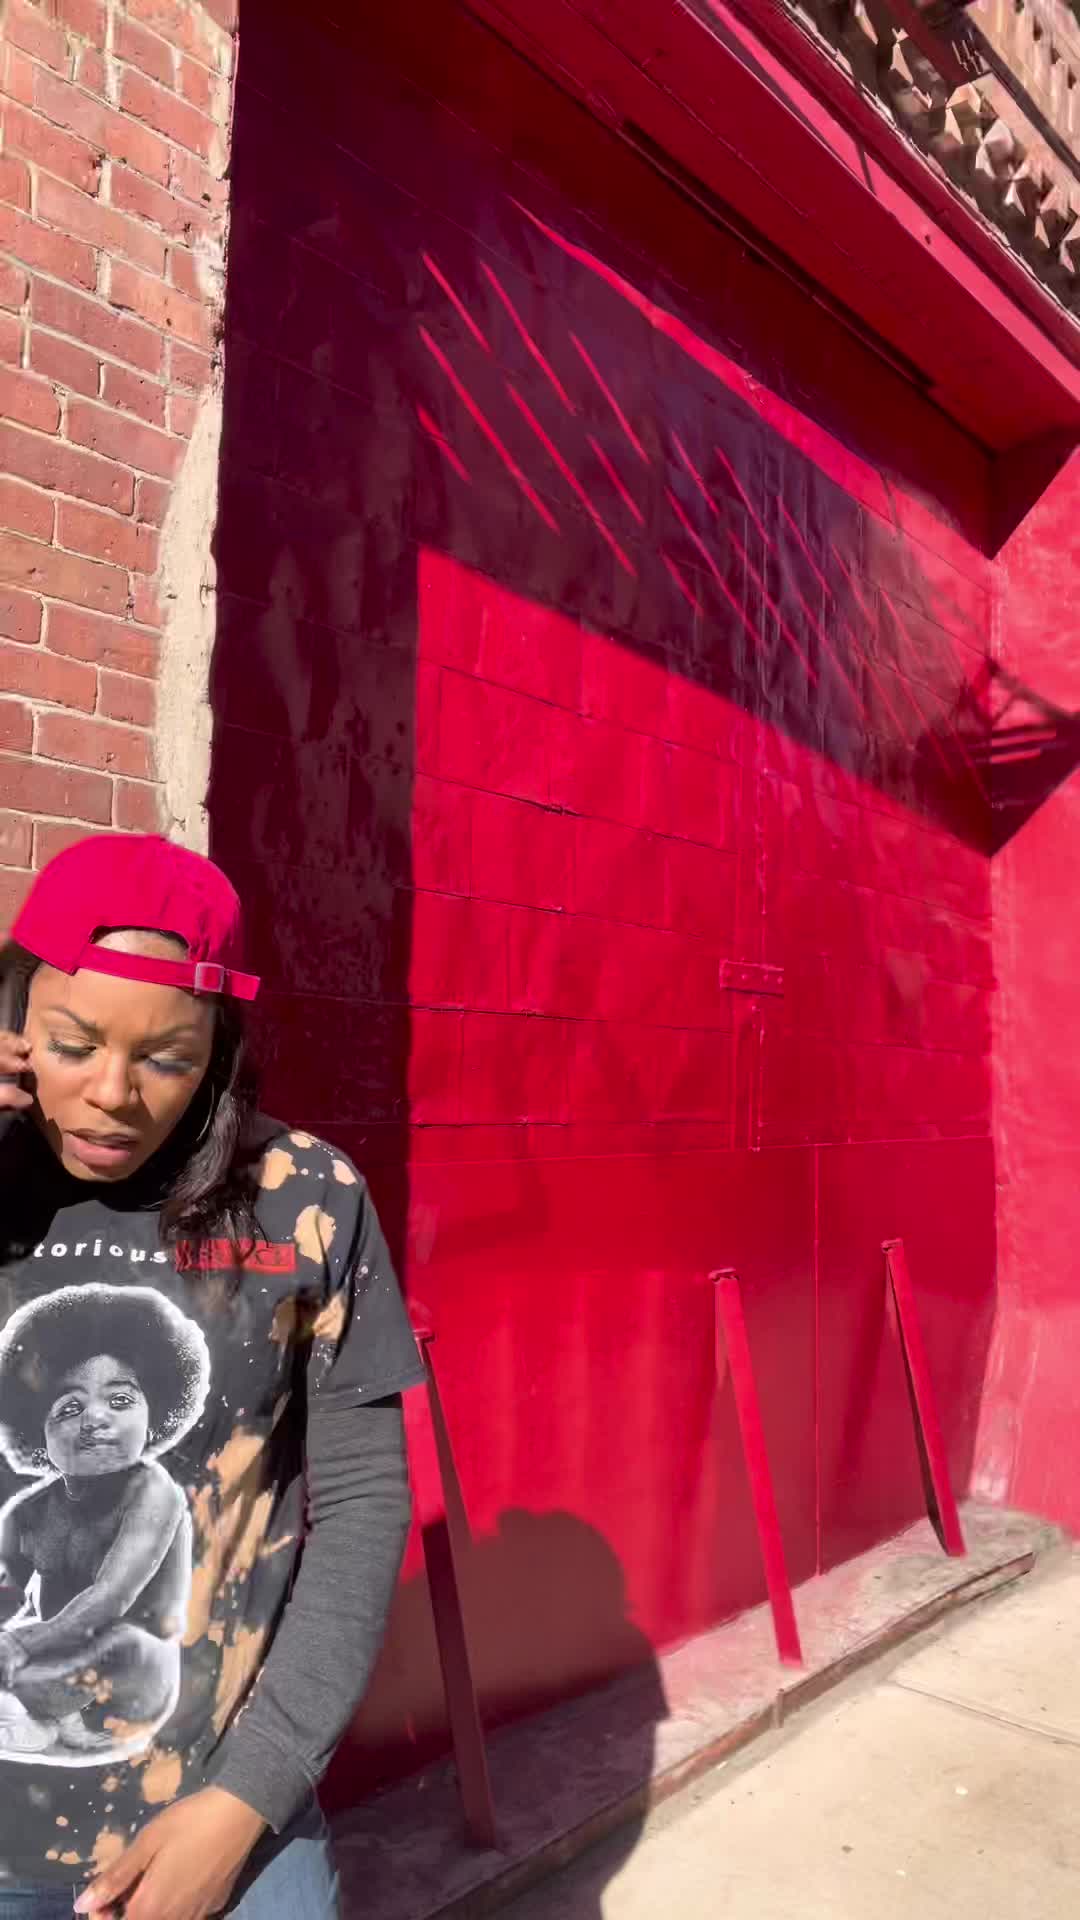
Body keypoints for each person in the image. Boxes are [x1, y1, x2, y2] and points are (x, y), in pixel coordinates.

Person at [0, 834, 425, 1920]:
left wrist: (249, 1797)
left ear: (220, 1053)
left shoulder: (306, 1198)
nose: (112, 1094)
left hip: (207, 1810)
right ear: (14, 1014)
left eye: (168, 1058)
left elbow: (364, 1502)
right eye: (71, 1043)